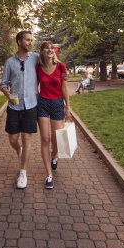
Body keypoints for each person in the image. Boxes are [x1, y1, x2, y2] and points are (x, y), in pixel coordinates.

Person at [0, 31, 68, 189]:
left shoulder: (35, 59)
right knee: (13, 139)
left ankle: (23, 171)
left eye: (31, 40)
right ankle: (20, 151)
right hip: (14, 105)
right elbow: (3, 84)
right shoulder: (9, 62)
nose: (30, 43)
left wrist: (65, 73)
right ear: (19, 41)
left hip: (32, 105)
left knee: (29, 139)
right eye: (27, 40)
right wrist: (8, 95)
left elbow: (53, 63)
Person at [36, 41, 70, 189]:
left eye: (51, 48)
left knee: (56, 140)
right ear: (42, 52)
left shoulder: (61, 67)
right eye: (46, 48)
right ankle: (48, 175)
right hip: (42, 104)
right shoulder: (38, 67)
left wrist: (67, 108)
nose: (49, 50)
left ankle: (54, 156)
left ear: (54, 51)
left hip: (57, 104)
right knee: (45, 139)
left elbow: (65, 88)